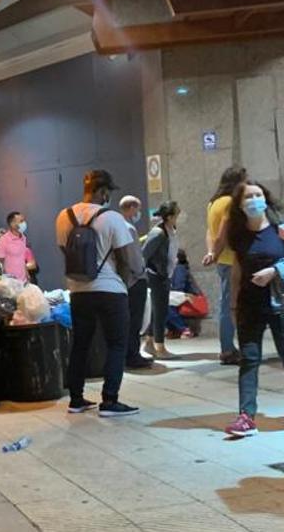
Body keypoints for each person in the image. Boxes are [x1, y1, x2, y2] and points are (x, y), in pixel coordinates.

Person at [221, 181, 284, 437]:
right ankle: (246, 416)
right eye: (248, 197)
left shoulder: (282, 228)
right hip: (250, 304)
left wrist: (275, 271)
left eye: (258, 195)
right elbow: (237, 270)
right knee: (249, 359)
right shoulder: (238, 235)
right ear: (240, 205)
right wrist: (232, 303)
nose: (254, 200)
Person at [56, 169, 144, 417]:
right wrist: (128, 280)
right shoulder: (112, 218)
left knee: (80, 344)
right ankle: (110, 401)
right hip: (110, 290)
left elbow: (67, 253)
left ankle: (76, 399)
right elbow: (130, 260)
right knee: (116, 344)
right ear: (103, 191)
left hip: (78, 290)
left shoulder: (63, 217)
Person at [203, 166, 249, 365]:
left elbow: (209, 233)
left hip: (223, 261)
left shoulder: (213, 203)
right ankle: (228, 350)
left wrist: (212, 252)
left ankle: (229, 347)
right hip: (232, 260)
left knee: (227, 304)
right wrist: (216, 251)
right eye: (244, 180)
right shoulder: (231, 202)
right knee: (230, 306)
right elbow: (223, 232)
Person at [142, 201, 180, 359]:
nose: (178, 216)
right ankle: (160, 346)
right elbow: (144, 253)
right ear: (170, 216)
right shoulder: (158, 233)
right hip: (157, 275)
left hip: (164, 274)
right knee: (160, 311)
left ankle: (150, 343)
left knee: (158, 310)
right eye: (176, 214)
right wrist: (155, 271)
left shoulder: (170, 229)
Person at [119, 196, 153, 369]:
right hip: (135, 280)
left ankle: (128, 354)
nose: (138, 213)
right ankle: (133, 355)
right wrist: (142, 273)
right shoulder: (129, 228)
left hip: (123, 281)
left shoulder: (116, 225)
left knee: (127, 320)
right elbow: (134, 257)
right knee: (135, 320)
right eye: (138, 209)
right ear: (131, 208)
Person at [0, 211, 36, 282]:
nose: (24, 223)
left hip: (24, 280)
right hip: (11, 282)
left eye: (24, 220)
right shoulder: (3, 240)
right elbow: (1, 262)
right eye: (21, 221)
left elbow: (22, 259)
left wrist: (26, 272)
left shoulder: (23, 238)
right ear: (12, 224)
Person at [166, 249, 198, 338]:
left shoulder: (179, 268)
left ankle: (183, 329)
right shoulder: (176, 268)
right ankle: (174, 329)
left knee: (166, 306)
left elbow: (178, 287)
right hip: (178, 295)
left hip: (184, 296)